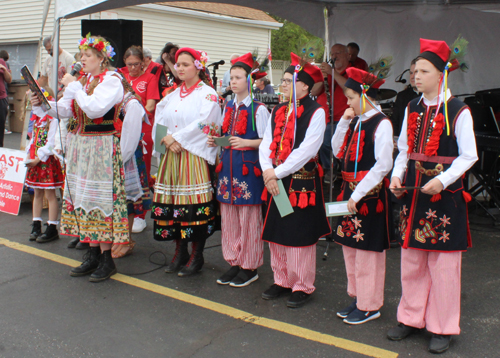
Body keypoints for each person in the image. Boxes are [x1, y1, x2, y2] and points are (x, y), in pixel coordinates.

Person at [388, 38, 478, 354]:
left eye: (423, 71)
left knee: (444, 265)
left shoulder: (459, 110)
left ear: (441, 74)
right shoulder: (412, 107)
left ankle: (442, 325)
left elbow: (469, 156)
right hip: (414, 194)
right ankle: (410, 318)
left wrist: (442, 180)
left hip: (444, 196)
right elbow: (403, 149)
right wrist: (397, 174)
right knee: (411, 260)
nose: (416, 76)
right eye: (415, 71)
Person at [31, 33, 130, 283]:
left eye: (87, 55)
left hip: (100, 145)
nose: (82, 59)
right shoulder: (83, 81)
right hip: (80, 145)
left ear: (102, 58)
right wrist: (42, 103)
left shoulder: (112, 80)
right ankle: (93, 252)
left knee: (101, 200)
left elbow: (94, 108)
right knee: (83, 198)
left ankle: (107, 259)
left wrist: (74, 87)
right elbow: (65, 110)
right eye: (81, 55)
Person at [259, 52, 331, 308]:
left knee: (298, 233)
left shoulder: (316, 112)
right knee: (277, 229)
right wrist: (268, 169)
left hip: (299, 181)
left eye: (289, 80)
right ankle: (281, 279)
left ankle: (302, 284)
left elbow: (307, 150)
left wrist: (275, 173)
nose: (284, 84)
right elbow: (266, 141)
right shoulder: (278, 108)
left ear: (304, 85)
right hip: (276, 178)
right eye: (284, 80)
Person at [331, 67, 394, 325]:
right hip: (349, 192)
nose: (347, 102)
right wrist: (344, 120)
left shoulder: (382, 123)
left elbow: (383, 165)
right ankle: (358, 297)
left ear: (364, 95)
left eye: (350, 98)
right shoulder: (356, 121)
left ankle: (370, 304)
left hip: (368, 196)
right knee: (350, 247)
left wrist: (357, 194)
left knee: (368, 251)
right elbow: (337, 151)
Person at [151, 47, 220, 277]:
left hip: (192, 157)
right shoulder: (171, 94)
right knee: (174, 206)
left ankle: (196, 254)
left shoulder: (207, 94)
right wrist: (166, 140)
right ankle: (180, 251)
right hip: (173, 155)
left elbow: (205, 123)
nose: (179, 68)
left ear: (198, 67)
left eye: (185, 64)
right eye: (178, 64)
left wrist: (175, 138)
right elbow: (160, 119)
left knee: (191, 206)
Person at [207, 52, 269, 287]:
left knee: (249, 219)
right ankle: (234, 262)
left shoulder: (259, 109)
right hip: (228, 170)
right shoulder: (228, 105)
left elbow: (268, 142)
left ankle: (250, 266)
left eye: (238, 77)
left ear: (249, 81)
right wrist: (217, 141)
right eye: (231, 77)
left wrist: (247, 143)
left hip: (247, 171)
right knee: (230, 218)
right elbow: (228, 138)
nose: (233, 82)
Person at [119, 46, 160, 234]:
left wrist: (134, 103)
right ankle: (125, 210)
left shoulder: (150, 78)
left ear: (143, 62)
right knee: (122, 172)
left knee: (140, 171)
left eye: (136, 64)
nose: (133, 68)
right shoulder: (120, 76)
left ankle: (140, 215)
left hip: (142, 131)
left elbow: (151, 106)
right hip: (120, 129)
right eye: (129, 64)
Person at [111, 76, 147, 258]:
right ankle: (119, 238)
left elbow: (131, 138)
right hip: (115, 153)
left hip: (127, 155)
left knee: (128, 199)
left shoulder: (131, 104)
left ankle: (126, 240)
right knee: (117, 199)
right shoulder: (114, 100)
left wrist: (118, 160)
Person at [26, 87, 64, 243]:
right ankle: (36, 224)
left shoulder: (52, 119)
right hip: (35, 161)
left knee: (50, 195)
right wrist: (29, 155)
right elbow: (33, 139)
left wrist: (38, 157)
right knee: (37, 193)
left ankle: (52, 226)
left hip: (46, 161)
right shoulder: (37, 118)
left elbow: (51, 143)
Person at [319, 44, 350, 179]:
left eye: (338, 53)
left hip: (343, 117)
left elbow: (348, 87)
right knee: (322, 143)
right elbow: (314, 91)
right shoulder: (329, 73)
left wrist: (333, 72)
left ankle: (337, 169)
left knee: (332, 144)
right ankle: (329, 169)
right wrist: (323, 77)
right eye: (332, 54)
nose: (334, 56)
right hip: (325, 116)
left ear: (347, 55)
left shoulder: (351, 71)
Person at [392, 59, 419, 135]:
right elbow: (395, 121)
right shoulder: (402, 96)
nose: (413, 76)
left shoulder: (428, 96)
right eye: (411, 73)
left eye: (416, 72)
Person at [0, 53, 12, 146]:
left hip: (1, 99)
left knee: (1, 128)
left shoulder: (1, 62)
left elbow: (9, 80)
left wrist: (4, 69)